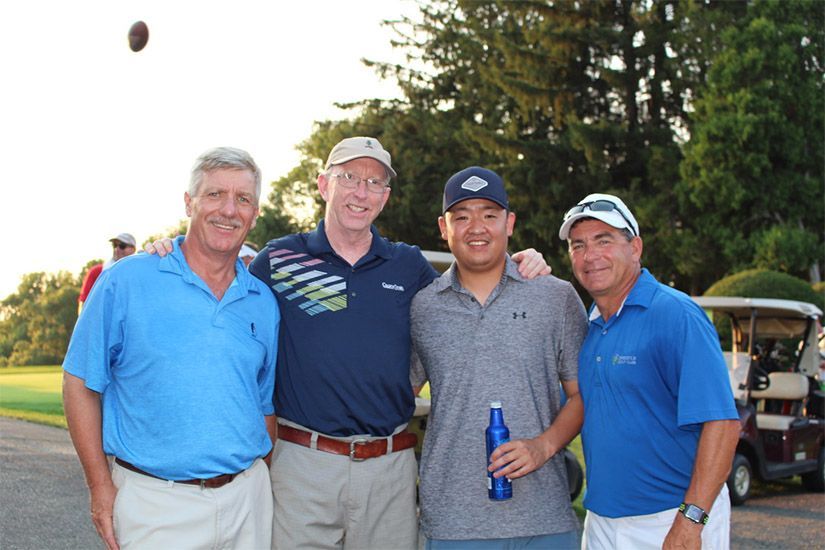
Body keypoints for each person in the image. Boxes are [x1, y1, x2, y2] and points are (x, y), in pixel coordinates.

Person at [148, 137, 549, 549]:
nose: (362, 191)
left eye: (375, 182)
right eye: (350, 177)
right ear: (323, 185)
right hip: (302, 467)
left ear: (385, 196)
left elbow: (469, 297)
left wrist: (517, 263)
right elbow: (215, 283)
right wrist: (173, 249)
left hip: (388, 471)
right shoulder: (279, 260)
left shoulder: (408, 265)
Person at [63, 147, 279, 550]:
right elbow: (79, 383)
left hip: (248, 501)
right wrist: (99, 485)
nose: (228, 210)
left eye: (243, 199)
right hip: (156, 504)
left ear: (254, 211)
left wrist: (256, 481)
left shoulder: (262, 301)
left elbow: (263, 406)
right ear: (188, 202)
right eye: (215, 194)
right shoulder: (127, 281)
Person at [410, 167, 588, 549]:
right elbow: (397, 393)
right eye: (462, 216)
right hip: (453, 524)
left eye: (489, 215)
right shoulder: (423, 307)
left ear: (509, 223)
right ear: (444, 227)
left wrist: (543, 446)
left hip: (544, 519)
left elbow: (582, 395)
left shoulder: (555, 297)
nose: (477, 227)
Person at [558, 193, 740, 550]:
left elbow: (722, 424)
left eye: (603, 240)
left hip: (670, 518)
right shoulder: (592, 326)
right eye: (578, 245)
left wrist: (691, 520)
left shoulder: (676, 314)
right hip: (602, 520)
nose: (589, 255)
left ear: (636, 248)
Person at [77, 233, 136, 314]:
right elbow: (83, 304)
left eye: (122, 246)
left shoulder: (138, 275)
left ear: (133, 249)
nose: (117, 249)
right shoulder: (96, 272)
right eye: (114, 245)